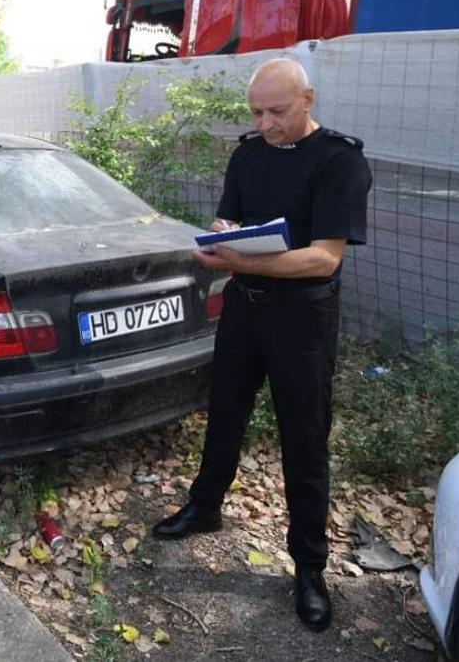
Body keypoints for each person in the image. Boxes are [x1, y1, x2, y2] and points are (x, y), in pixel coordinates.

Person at [151, 58, 371, 632]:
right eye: (256, 112)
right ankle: (205, 506)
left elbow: (326, 256)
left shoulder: (340, 160)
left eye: (277, 111)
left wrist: (246, 259)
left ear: (308, 98)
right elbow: (228, 221)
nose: (266, 123)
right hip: (245, 309)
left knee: (304, 439)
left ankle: (308, 567)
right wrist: (221, 241)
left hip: (304, 319)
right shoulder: (248, 152)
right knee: (223, 413)